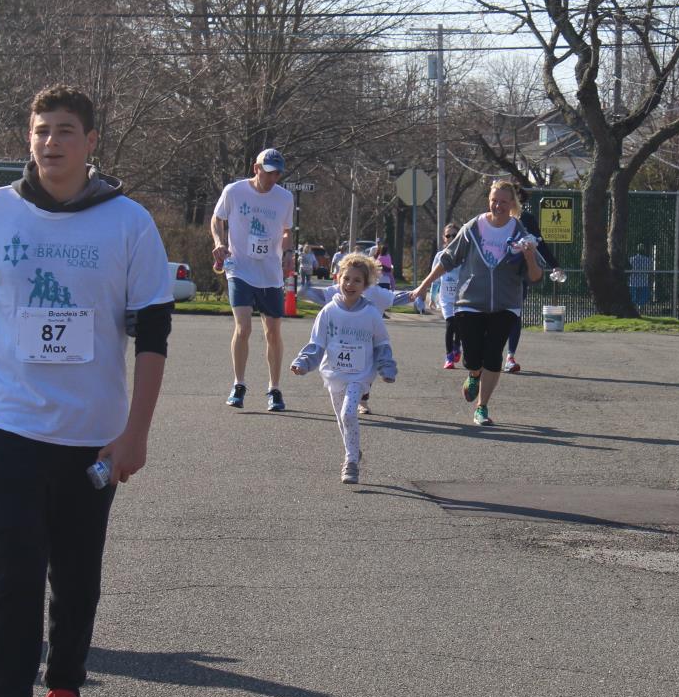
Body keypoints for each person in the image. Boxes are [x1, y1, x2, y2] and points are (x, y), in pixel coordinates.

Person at [0, 85, 173, 697]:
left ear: (90, 142)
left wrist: (136, 432)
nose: (50, 142)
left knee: (76, 573)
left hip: (92, 431)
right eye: (40, 130)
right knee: (11, 563)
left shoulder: (128, 222)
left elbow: (154, 333)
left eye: (64, 130)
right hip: (7, 419)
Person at [412, 180, 545, 427]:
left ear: (512, 204)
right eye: (494, 200)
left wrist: (529, 257)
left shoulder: (520, 233)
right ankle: (474, 373)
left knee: (493, 356)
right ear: (488, 201)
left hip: (506, 304)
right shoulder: (473, 228)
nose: (498, 206)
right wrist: (423, 286)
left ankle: (482, 407)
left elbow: (536, 277)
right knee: (473, 357)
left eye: (503, 201)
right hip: (470, 301)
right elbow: (448, 259)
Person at [290, 253, 397, 486]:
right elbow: (317, 343)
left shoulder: (371, 313)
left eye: (357, 280)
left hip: (360, 375)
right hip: (334, 373)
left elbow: (382, 344)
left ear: (365, 285)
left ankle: (351, 462)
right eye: (346, 278)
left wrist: (386, 368)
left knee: (349, 414)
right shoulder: (329, 311)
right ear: (338, 279)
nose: (350, 284)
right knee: (342, 418)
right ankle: (353, 449)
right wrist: (303, 363)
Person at [211, 148, 294, 412]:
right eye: (268, 172)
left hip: (270, 273)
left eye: (277, 173)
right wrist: (219, 242)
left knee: (273, 332)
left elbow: (286, 231)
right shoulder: (234, 191)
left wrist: (288, 252)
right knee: (244, 327)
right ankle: (239, 384)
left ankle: (274, 388)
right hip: (240, 269)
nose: (273, 178)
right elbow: (217, 218)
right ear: (256, 168)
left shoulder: (285, 198)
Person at [502, 192, 557, 372]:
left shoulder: (525, 219)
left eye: (506, 199)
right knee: (493, 315)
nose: (500, 204)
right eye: (495, 200)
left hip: (519, 274)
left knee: (514, 314)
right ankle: (488, 354)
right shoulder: (488, 221)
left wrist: (555, 265)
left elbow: (540, 244)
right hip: (495, 275)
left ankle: (510, 357)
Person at [432, 222, 461, 367]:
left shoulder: (463, 255)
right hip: (446, 299)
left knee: (460, 325)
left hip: (461, 299)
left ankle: (457, 345)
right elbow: (435, 278)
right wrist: (432, 297)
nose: (451, 238)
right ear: (444, 238)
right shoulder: (440, 256)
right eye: (448, 235)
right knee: (450, 324)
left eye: (454, 235)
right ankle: (449, 357)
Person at [629, 242, 653, 312]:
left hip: (633, 283)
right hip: (643, 283)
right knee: (642, 300)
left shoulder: (632, 259)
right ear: (644, 250)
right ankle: (640, 310)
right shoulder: (648, 260)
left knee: (634, 299)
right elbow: (650, 271)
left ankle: (635, 310)